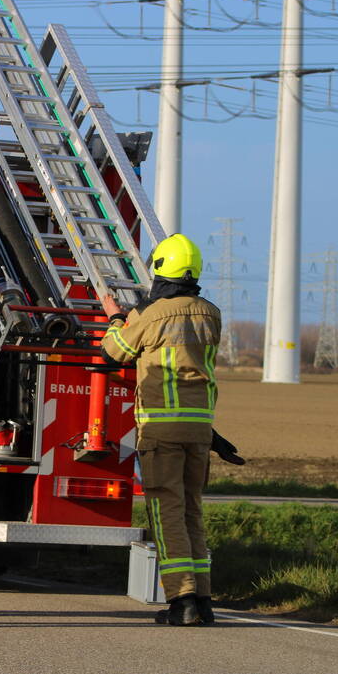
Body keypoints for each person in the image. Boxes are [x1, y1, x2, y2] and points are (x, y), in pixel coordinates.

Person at [101, 233, 222, 626]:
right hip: (199, 429)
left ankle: (181, 599)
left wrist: (119, 317)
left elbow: (115, 350)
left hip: (161, 427)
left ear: (159, 269)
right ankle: (203, 600)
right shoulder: (211, 313)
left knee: (166, 511)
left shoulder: (152, 315)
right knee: (191, 511)